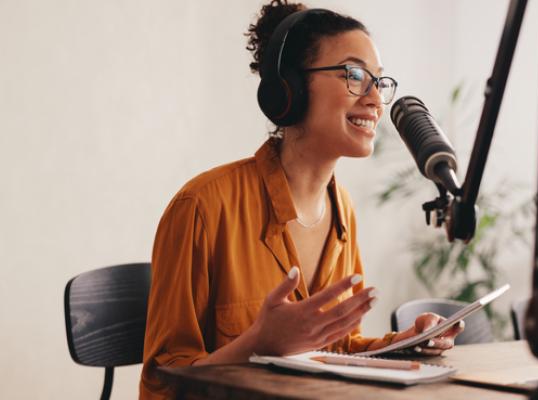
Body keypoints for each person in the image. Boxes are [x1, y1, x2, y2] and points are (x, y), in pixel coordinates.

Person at [139, 1, 464, 398]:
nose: (375, 99)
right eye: (355, 74)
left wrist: (402, 345)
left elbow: (336, 351)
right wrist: (258, 343)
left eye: (379, 82)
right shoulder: (203, 207)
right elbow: (162, 385)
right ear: (288, 89)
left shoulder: (341, 209)